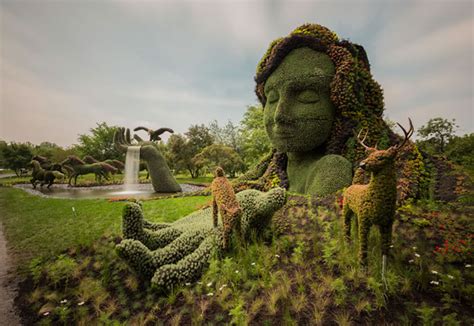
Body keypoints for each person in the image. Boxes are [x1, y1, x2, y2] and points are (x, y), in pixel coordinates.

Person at [238, 23, 388, 197]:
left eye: (307, 96)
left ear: (340, 108)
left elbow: (315, 218)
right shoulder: (276, 169)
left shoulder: (331, 168)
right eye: (272, 98)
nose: (279, 115)